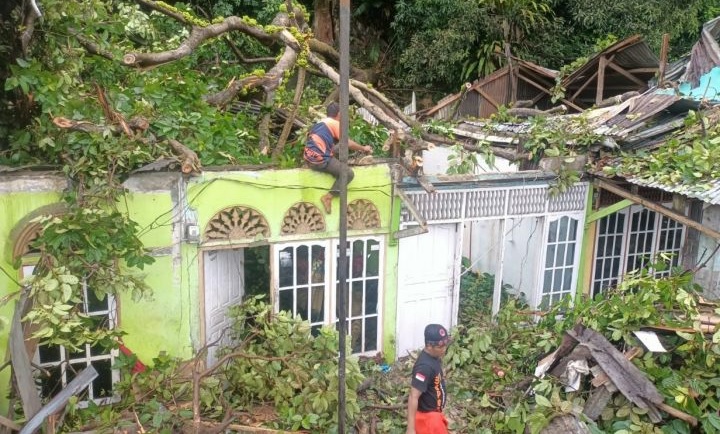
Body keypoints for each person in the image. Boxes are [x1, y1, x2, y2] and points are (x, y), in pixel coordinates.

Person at [303, 102, 373, 214]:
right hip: (320, 160)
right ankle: (328, 197)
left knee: (336, 151)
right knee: (348, 174)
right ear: (339, 113)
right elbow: (347, 142)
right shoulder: (335, 123)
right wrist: (363, 148)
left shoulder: (320, 123)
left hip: (309, 158)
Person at [406, 324, 451, 434]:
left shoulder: (434, 356)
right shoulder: (424, 368)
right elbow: (413, 396)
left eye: (445, 345)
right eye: (440, 347)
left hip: (434, 414)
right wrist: (410, 428)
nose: (444, 349)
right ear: (429, 346)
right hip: (428, 418)